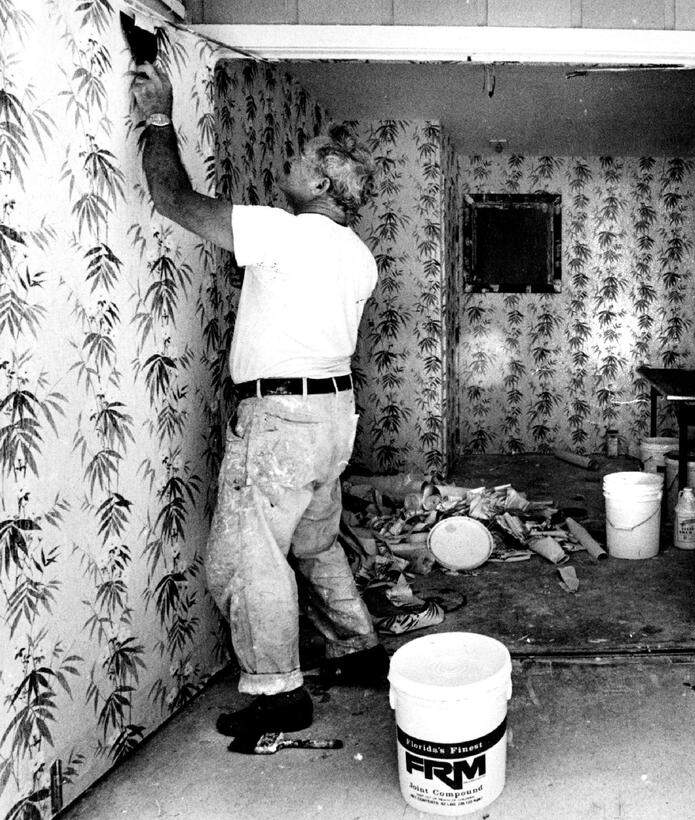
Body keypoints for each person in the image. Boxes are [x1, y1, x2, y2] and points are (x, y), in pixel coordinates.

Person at [131, 63, 387, 737]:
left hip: (281, 421)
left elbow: (173, 199)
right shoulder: (359, 256)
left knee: (249, 555)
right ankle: (357, 648)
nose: (291, 164)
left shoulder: (285, 231)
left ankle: (278, 693)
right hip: (334, 417)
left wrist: (159, 118)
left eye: (303, 161)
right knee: (316, 539)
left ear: (323, 184)